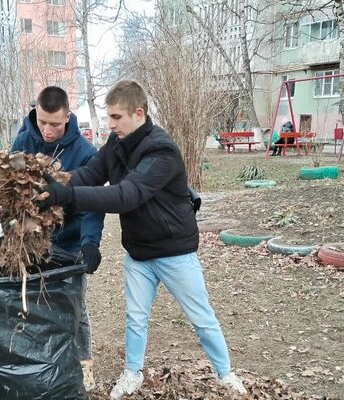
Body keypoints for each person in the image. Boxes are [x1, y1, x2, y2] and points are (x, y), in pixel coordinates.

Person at [37, 80, 247, 399]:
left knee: (201, 318)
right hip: (139, 254)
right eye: (109, 117)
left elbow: (126, 195)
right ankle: (132, 373)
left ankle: (226, 374)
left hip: (174, 251)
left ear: (139, 113)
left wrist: (67, 195)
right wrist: (56, 181)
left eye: (117, 117)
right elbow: (91, 173)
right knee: (136, 318)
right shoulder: (116, 144)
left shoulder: (161, 150)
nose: (111, 124)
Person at [11, 85, 105, 391]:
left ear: (67, 116)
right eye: (42, 122)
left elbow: (91, 203)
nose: (48, 130)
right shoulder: (23, 141)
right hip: (33, 244)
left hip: (71, 242)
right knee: (35, 305)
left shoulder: (84, 152)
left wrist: (90, 242)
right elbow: (12, 188)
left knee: (74, 309)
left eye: (55, 123)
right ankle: (45, 363)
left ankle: (84, 364)